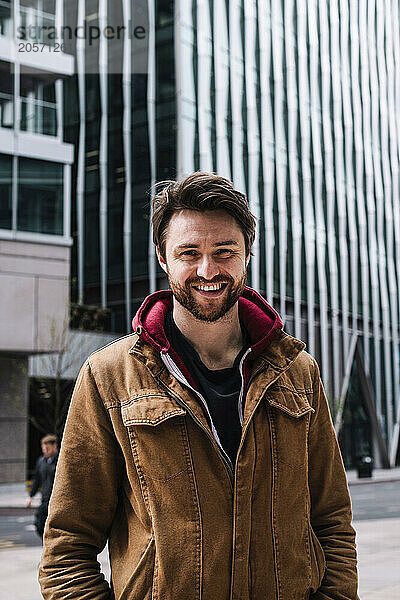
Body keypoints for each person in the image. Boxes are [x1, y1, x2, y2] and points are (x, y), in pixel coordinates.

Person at [39, 172, 359, 599]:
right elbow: (67, 550)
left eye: (224, 251)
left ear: (246, 254)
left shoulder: (298, 371)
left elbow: (333, 522)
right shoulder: (108, 376)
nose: (208, 270)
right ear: (162, 257)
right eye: (189, 252)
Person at [26, 434, 58, 540]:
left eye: (47, 448)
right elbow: (37, 480)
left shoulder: (61, 461)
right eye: (43, 449)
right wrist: (30, 496)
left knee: (56, 526)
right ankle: (48, 543)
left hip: (57, 500)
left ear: (54, 446)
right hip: (45, 499)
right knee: (39, 524)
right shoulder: (41, 461)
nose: (45, 451)